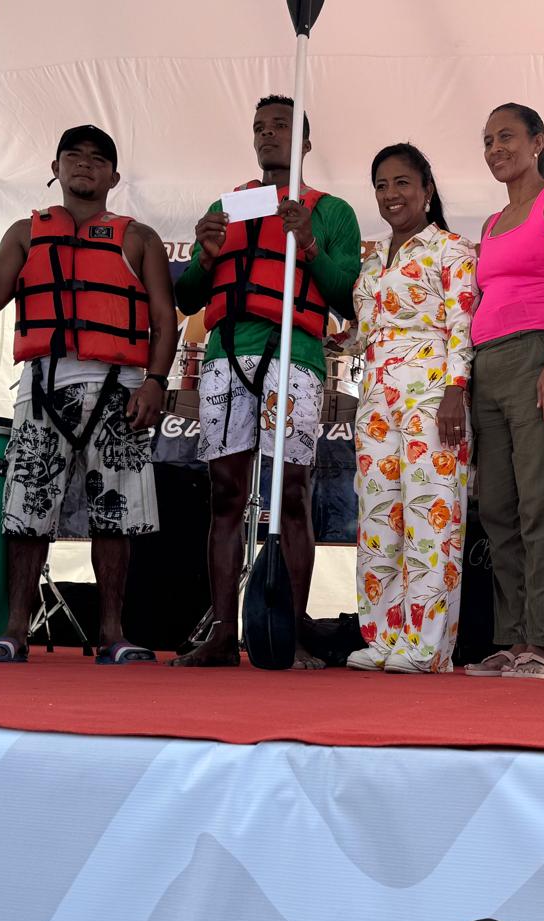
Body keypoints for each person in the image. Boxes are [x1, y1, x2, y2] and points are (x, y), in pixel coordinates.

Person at [0, 124, 177, 664]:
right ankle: (14, 630)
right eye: (74, 155)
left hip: (121, 389)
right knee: (27, 513)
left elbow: (164, 320)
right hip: (42, 387)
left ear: (114, 176)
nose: (85, 164)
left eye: (98, 159)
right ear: (55, 168)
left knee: (116, 517)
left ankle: (112, 634)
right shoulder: (26, 233)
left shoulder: (140, 239)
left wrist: (156, 382)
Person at [170, 95, 361, 668]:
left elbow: (348, 298)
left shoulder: (333, 211)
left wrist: (309, 243)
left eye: (281, 126)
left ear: (305, 142)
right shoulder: (229, 205)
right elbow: (188, 299)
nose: (268, 134)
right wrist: (205, 259)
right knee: (226, 494)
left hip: (295, 358)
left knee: (292, 494)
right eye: (260, 127)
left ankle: (291, 632)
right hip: (226, 356)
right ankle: (222, 634)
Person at [464, 103, 544, 680]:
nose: (496, 149)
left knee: (542, 503)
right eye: (488, 140)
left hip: (540, 354)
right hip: (488, 366)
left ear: (538, 140)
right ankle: (512, 636)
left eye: (508, 136)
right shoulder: (491, 224)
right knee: (497, 507)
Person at [345, 143, 476, 674]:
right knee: (379, 519)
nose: (391, 194)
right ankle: (382, 637)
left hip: (432, 392)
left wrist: (456, 390)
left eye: (402, 182)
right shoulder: (372, 257)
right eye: (381, 185)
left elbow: (462, 324)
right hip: (375, 396)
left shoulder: (451, 249)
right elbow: (366, 330)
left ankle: (426, 646)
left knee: (430, 514)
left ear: (426, 190)